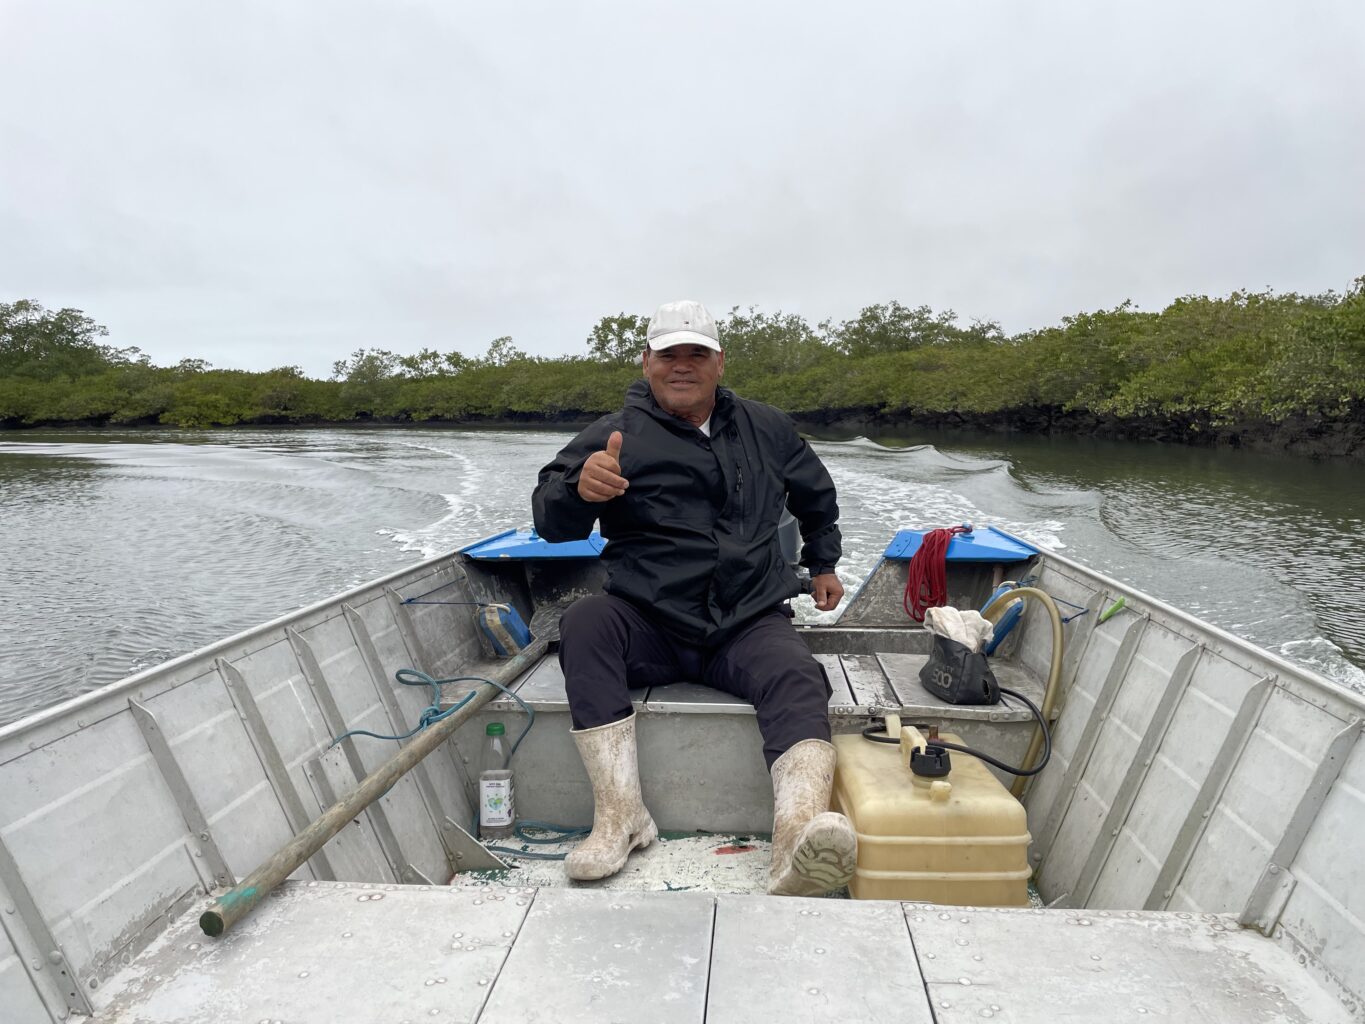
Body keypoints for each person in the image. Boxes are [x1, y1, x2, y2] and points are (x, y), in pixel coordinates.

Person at [531, 299, 857, 896]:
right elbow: (552, 521)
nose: (683, 366)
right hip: (647, 619)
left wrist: (824, 562)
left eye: (697, 354)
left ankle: (795, 841)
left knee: (797, 675)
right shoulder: (614, 435)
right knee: (585, 623)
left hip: (746, 620)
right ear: (647, 361)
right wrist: (579, 491)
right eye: (669, 354)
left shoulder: (769, 427)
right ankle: (620, 817)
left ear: (719, 363)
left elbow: (816, 495)